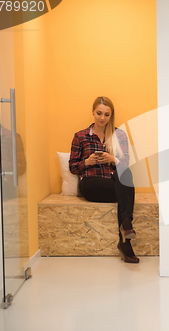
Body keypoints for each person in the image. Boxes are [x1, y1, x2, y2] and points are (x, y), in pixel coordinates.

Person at [69, 96, 139, 263]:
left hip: (113, 181)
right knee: (125, 191)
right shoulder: (81, 136)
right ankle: (126, 239)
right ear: (93, 112)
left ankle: (126, 226)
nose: (102, 118)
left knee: (125, 173)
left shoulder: (119, 135)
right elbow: (73, 167)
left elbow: (126, 162)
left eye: (106, 115)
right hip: (91, 183)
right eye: (99, 113)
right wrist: (87, 162)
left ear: (111, 115)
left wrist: (112, 159)